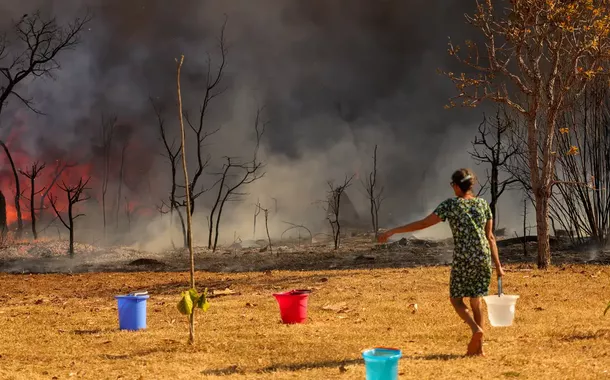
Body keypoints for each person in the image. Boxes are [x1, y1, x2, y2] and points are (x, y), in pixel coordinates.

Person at [378, 168, 504, 356]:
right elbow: (491, 237)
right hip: (483, 257)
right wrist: (499, 266)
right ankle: (479, 349)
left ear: (455, 186)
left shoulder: (451, 205)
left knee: (456, 300)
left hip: (464, 258)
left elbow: (423, 224)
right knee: (476, 301)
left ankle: (475, 329)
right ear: (471, 185)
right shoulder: (483, 204)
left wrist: (393, 231)